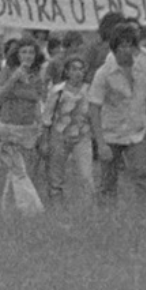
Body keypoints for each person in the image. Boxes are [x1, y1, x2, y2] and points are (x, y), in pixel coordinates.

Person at [89, 24, 146, 204]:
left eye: (130, 46)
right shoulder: (103, 73)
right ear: (115, 48)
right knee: (108, 182)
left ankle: (144, 216)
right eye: (122, 46)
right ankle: (106, 218)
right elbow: (94, 107)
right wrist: (100, 143)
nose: (127, 51)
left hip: (137, 131)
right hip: (111, 133)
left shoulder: (144, 70)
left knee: (142, 174)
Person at [0, 38, 47, 217]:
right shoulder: (7, 71)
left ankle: (8, 208)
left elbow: (37, 100)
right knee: (19, 170)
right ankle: (32, 209)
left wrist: (40, 127)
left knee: (16, 170)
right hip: (9, 126)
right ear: (17, 55)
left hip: (28, 128)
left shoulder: (37, 76)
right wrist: (14, 78)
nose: (28, 56)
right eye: (24, 52)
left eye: (31, 52)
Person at [41, 55, 95, 204]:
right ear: (67, 71)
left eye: (81, 69)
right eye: (74, 69)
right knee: (56, 174)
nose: (78, 73)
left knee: (86, 174)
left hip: (82, 135)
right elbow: (47, 117)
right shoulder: (58, 91)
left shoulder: (89, 90)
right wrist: (45, 141)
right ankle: (56, 204)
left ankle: (87, 207)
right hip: (59, 135)